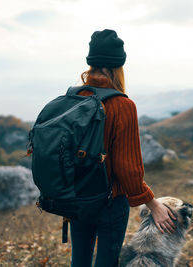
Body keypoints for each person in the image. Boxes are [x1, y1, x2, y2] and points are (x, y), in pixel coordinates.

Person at [69, 29, 176, 267]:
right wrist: (153, 204)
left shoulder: (74, 98)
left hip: (76, 197)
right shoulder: (122, 105)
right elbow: (128, 169)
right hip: (109, 201)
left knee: (80, 261)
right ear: (118, 66)